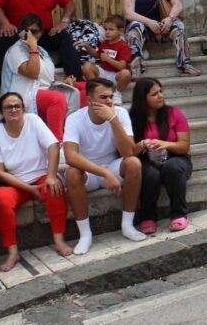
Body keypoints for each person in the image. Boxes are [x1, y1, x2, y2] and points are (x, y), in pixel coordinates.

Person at [0, 91, 72, 272]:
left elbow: (53, 145)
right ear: (1, 112)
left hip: (41, 176)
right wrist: (28, 188)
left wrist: (51, 175)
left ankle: (59, 240)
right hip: (15, 184)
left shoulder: (33, 120)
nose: (13, 110)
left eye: (17, 106)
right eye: (8, 107)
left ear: (23, 108)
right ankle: (12, 251)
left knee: (55, 188)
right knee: (1, 200)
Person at [63, 78, 146, 254]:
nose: (109, 101)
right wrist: (104, 174)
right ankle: (85, 234)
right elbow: (70, 156)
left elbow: (128, 153)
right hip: (90, 172)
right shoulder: (75, 119)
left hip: (113, 165)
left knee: (134, 163)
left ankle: (127, 225)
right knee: (71, 174)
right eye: (103, 97)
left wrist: (114, 121)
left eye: (111, 96)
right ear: (89, 100)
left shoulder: (120, 113)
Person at [0, 13, 77, 142]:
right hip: (26, 93)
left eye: (34, 31)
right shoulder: (16, 50)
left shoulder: (42, 51)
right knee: (57, 99)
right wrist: (33, 48)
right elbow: (33, 73)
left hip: (46, 88)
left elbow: (49, 75)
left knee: (84, 88)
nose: (29, 34)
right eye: (26, 30)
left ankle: (74, 137)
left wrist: (65, 81)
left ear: (41, 33)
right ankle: (57, 142)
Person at [130, 78, 192, 234]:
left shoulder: (174, 113)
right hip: (147, 160)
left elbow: (184, 146)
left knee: (172, 167)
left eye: (161, 91)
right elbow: (129, 151)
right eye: (154, 94)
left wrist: (166, 144)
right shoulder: (133, 119)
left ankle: (179, 214)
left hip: (177, 158)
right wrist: (143, 144)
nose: (160, 96)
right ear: (142, 98)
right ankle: (148, 217)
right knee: (149, 173)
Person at [123, 0, 201, 78]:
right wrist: (149, 22)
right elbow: (128, 13)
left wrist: (169, 19)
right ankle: (136, 69)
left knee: (178, 24)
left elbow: (178, 5)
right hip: (145, 33)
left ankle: (186, 64)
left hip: (164, 28)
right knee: (134, 26)